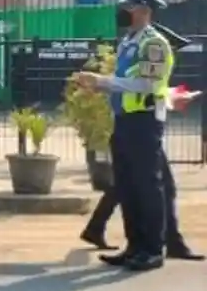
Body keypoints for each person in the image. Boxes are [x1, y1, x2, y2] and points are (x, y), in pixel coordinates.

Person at [80, 23, 204, 261]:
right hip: (138, 124)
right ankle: (154, 243)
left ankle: (165, 243)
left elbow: (151, 89)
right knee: (145, 186)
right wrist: (103, 83)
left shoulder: (145, 46)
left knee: (156, 186)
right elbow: (145, 88)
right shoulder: (143, 46)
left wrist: (171, 97)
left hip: (144, 124)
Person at [75, 0, 176, 272]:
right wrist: (98, 86)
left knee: (147, 187)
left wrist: (103, 82)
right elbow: (124, 81)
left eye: (128, 8)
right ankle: (134, 247)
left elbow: (148, 84)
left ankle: (152, 250)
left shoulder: (154, 44)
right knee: (128, 186)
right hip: (124, 121)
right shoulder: (128, 42)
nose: (122, 12)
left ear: (144, 11)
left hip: (145, 123)